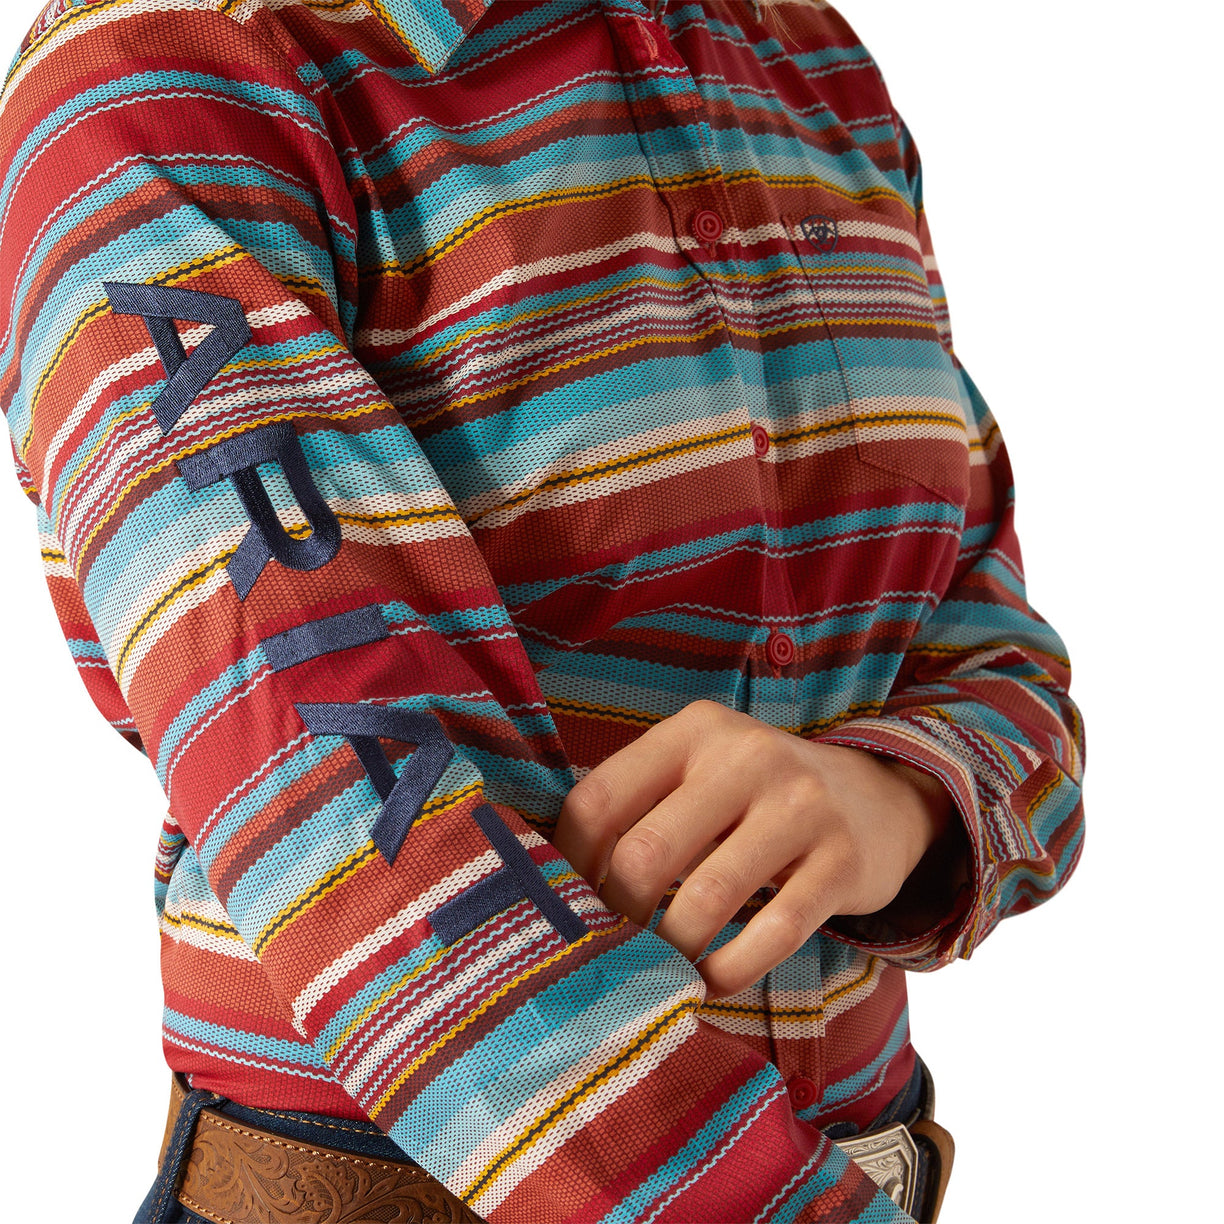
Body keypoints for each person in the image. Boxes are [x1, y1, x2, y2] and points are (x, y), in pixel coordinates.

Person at [0, 0, 1084, 1220]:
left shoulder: (808, 58)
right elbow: (352, 811)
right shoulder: (171, 70)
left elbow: (1002, 656)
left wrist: (897, 798)